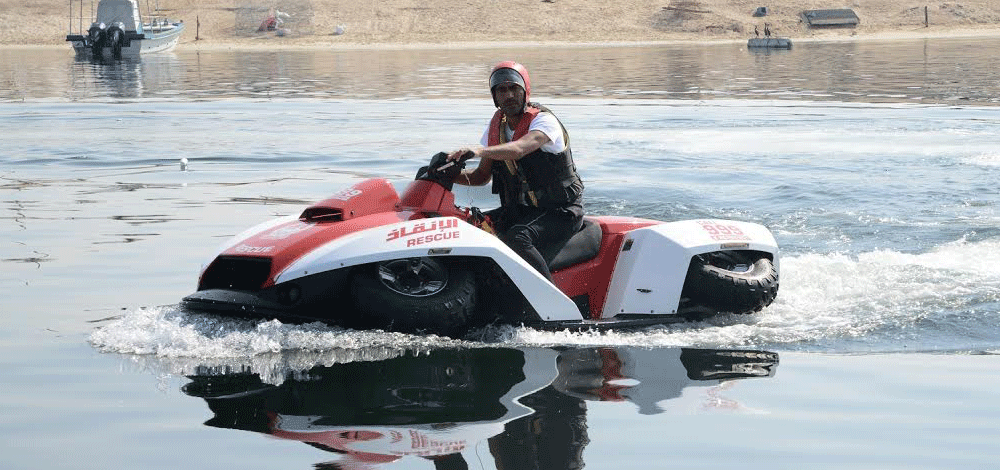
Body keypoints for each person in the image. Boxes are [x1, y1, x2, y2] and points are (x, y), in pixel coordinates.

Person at [445, 61, 584, 282]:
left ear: (525, 91)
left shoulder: (544, 121)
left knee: (517, 238)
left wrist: (477, 151)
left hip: (561, 212)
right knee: (470, 226)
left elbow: (519, 149)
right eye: (502, 90)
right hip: (522, 210)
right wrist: (444, 175)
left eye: (514, 89)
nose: (509, 95)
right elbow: (480, 177)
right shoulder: (496, 130)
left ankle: (546, 298)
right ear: (494, 96)